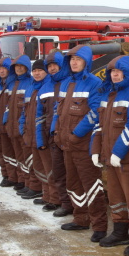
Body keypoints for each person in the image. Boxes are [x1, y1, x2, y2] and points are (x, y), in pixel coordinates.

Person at [52, 45, 108, 241]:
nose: (74, 62)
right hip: (66, 144)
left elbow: (96, 113)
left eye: (78, 59)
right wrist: (56, 132)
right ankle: (80, 218)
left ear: (86, 61)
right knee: (73, 183)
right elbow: (58, 111)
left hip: (83, 144)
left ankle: (99, 225)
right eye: (71, 59)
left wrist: (76, 134)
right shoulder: (66, 83)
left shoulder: (94, 83)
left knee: (91, 185)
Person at [91, 55, 129, 248]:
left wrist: (118, 152)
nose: (115, 75)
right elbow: (99, 124)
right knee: (115, 197)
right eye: (113, 71)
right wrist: (96, 150)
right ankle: (120, 233)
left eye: (119, 72)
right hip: (109, 158)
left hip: (126, 160)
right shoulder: (107, 95)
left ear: (127, 74)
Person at [37, 51, 73, 216]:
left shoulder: (70, 82)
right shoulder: (45, 87)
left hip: (67, 135)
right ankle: (63, 203)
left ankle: (74, 204)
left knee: (71, 172)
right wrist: (40, 136)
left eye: (54, 65)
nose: (52, 69)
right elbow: (39, 114)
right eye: (49, 66)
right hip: (51, 135)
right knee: (57, 171)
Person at [5, 55, 41, 197]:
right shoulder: (12, 83)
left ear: (27, 68)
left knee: (29, 157)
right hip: (14, 125)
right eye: (16, 67)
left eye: (22, 66)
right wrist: (5, 120)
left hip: (25, 127)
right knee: (20, 156)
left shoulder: (30, 83)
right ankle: (24, 181)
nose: (19, 69)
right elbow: (9, 106)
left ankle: (33, 184)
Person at [20, 60, 51, 204]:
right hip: (31, 131)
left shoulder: (47, 87)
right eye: (35, 71)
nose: (37, 73)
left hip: (42, 133)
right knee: (37, 164)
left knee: (47, 166)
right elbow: (24, 111)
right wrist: (22, 127)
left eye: (40, 70)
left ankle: (51, 196)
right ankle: (41, 191)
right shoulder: (31, 88)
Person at [0, 58, 18, 186]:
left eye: (4, 68)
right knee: (1, 152)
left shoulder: (13, 84)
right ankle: (6, 175)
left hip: (10, 125)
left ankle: (14, 177)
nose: (1, 71)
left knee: (12, 152)